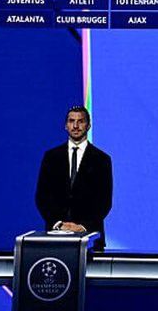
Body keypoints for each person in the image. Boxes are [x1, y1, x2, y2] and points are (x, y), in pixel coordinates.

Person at [34, 106, 113, 250]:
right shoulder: (51, 157)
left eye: (80, 121)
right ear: (65, 125)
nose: (75, 126)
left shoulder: (102, 160)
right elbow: (42, 196)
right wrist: (59, 224)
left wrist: (82, 227)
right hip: (55, 236)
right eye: (71, 121)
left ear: (88, 125)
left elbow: (104, 201)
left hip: (91, 239)